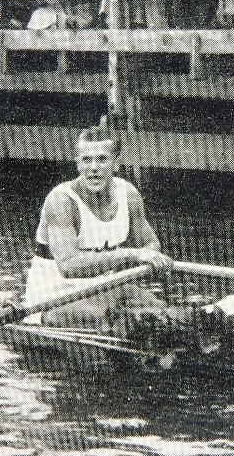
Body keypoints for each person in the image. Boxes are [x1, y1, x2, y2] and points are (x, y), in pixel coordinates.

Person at [23, 124, 174, 333]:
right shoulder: (61, 201)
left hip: (104, 290)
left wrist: (147, 257)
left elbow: (150, 244)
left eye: (102, 159)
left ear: (116, 164)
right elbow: (69, 266)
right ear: (77, 164)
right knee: (116, 321)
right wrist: (133, 255)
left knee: (161, 310)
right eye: (86, 160)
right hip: (54, 297)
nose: (93, 168)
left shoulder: (128, 194)